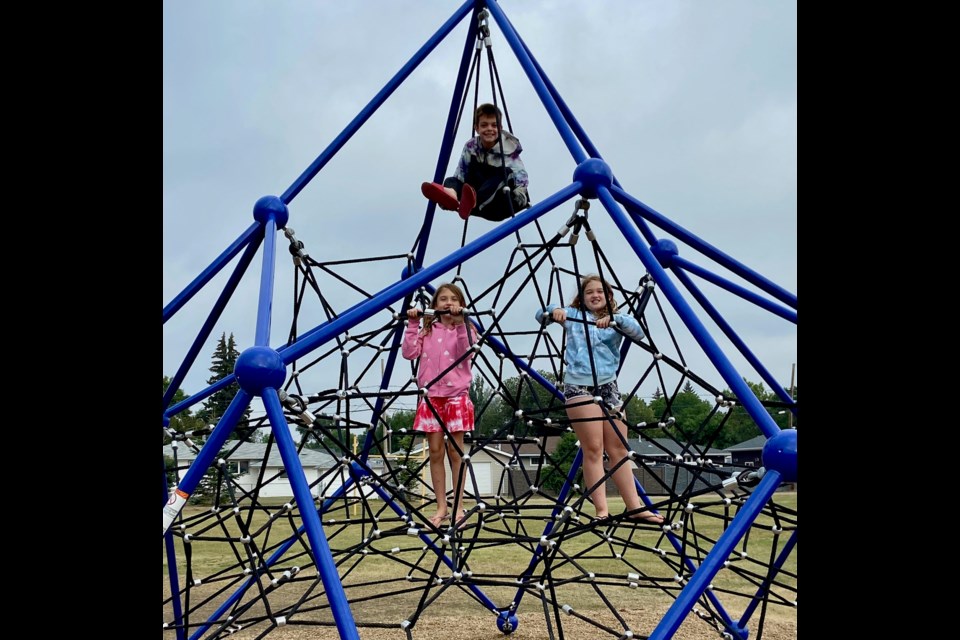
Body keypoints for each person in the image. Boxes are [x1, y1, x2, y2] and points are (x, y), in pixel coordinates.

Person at [535, 275, 665, 525]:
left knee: (619, 449)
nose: (595, 295)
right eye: (589, 292)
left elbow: (637, 332)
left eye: (600, 292)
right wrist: (554, 311)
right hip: (579, 386)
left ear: (608, 296)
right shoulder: (574, 317)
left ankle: (635, 507)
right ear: (582, 298)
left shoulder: (617, 320)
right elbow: (540, 314)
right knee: (593, 448)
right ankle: (602, 510)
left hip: (609, 387)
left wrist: (615, 320)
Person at [402, 283, 476, 528]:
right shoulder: (428, 330)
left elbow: (466, 352)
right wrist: (413, 324)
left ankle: (458, 507)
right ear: (434, 306)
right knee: (435, 452)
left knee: (456, 452)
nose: (448, 303)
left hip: (456, 396)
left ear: (461, 305)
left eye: (453, 299)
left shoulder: (466, 329)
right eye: (442, 299)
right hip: (431, 396)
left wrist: (462, 321)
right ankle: (441, 506)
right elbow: (409, 353)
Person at [421, 102, 530, 222]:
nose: (489, 129)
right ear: (476, 128)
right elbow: (460, 175)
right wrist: (455, 187)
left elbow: (522, 179)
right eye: (484, 125)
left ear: (500, 128)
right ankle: (451, 196)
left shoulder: (508, 149)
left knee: (504, 173)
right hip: (477, 200)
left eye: (494, 125)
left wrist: (518, 197)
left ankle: (471, 202)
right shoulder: (471, 146)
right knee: (452, 180)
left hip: (502, 203)